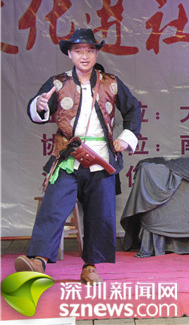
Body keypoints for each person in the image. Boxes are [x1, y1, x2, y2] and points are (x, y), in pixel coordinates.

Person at [14, 28, 141, 283]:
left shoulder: (110, 82)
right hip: (68, 158)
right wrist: (40, 106)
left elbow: (133, 109)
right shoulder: (58, 83)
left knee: (99, 214)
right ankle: (38, 260)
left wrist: (126, 138)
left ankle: (90, 267)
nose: (85, 56)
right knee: (53, 207)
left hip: (101, 159)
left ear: (96, 54)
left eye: (90, 50)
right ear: (70, 54)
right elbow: (38, 108)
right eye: (79, 51)